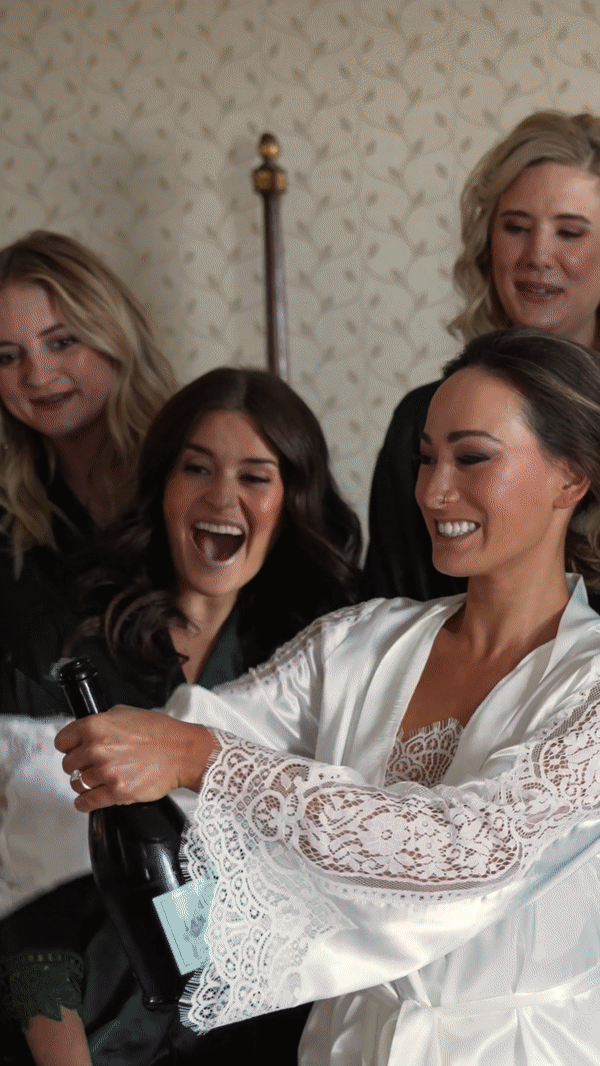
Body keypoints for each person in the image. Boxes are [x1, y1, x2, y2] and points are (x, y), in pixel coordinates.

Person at [59, 329, 600, 1065]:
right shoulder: (357, 643)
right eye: (426, 458)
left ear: (572, 476)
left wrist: (202, 759)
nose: (434, 491)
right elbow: (197, 728)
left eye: (472, 457)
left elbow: (464, 849)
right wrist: (100, 753)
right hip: (346, 1046)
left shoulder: (592, 683)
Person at [0, 367, 362, 1066]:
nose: (222, 496)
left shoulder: (320, 667)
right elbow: (25, 893)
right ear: (162, 488)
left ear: (291, 502)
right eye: (197, 468)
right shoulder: (66, 646)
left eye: (256, 476)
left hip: (259, 1042)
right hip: (83, 1040)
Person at [0, 229, 177, 1065]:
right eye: (7, 354)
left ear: (114, 331)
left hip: (215, 885)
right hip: (57, 893)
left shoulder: (202, 485)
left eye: (61, 340)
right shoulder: (15, 539)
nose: (36, 374)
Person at [364, 109, 600, 603]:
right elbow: (391, 622)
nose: (537, 254)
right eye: (516, 227)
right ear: (487, 244)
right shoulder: (421, 423)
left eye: (570, 233)